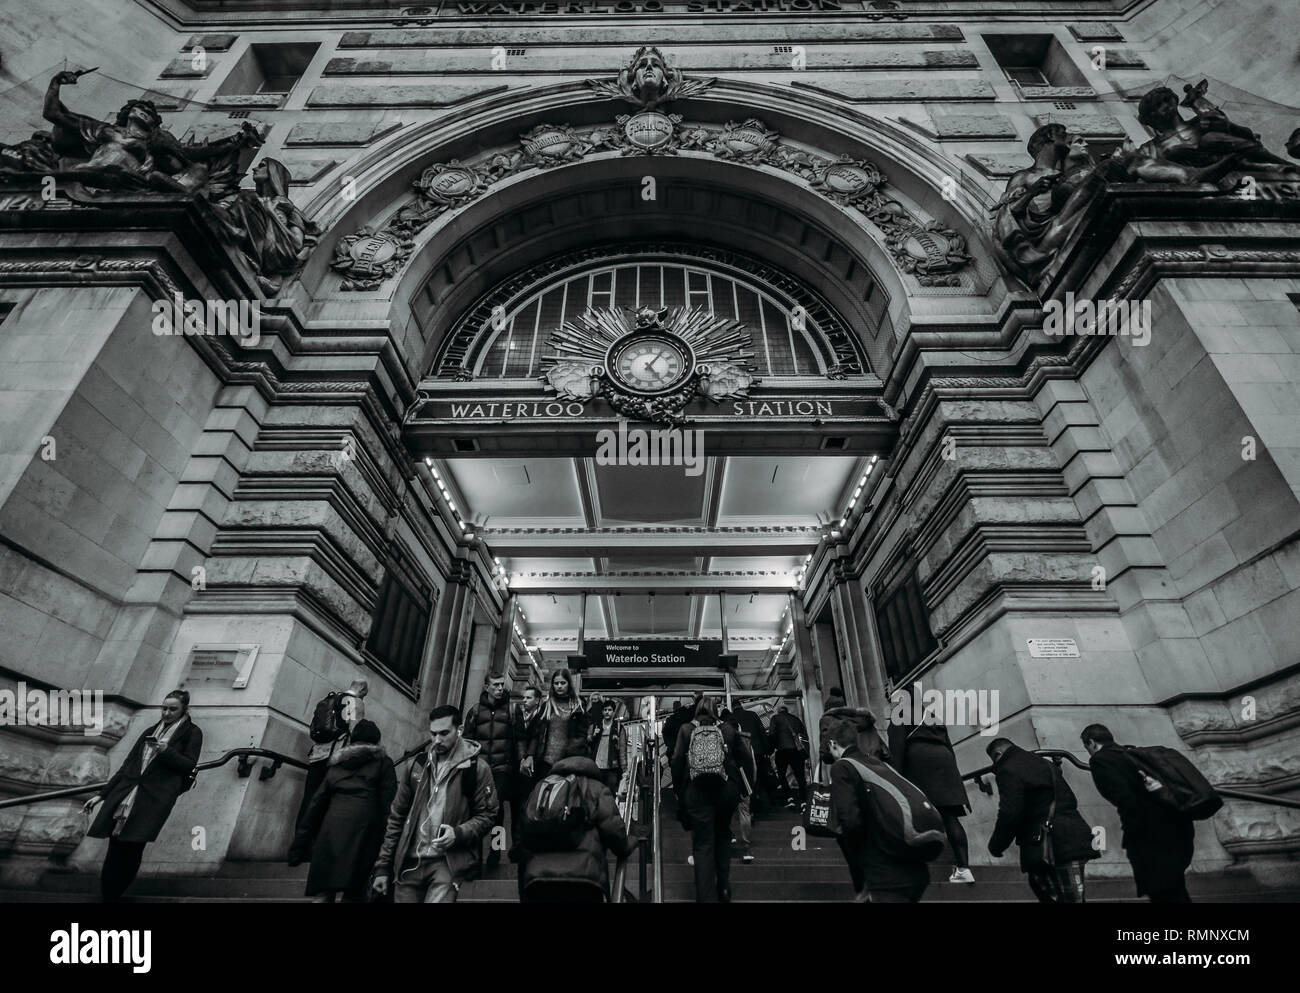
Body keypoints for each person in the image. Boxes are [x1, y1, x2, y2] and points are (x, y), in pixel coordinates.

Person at [82, 690, 203, 902]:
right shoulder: (151, 730)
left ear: (185, 709)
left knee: (133, 846)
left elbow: (189, 765)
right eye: (164, 708)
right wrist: (101, 795)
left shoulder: (192, 733)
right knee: (115, 847)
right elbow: (128, 764)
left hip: (153, 799)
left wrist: (166, 751)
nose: (166, 713)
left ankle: (115, 893)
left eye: (172, 709)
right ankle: (108, 896)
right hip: (126, 794)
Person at [372, 704, 497, 903]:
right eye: (433, 734)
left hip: (447, 863)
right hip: (409, 863)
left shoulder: (477, 769)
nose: (437, 740)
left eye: (444, 733)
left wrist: (458, 833)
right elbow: (396, 817)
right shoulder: (416, 765)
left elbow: (488, 815)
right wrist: (383, 865)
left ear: (460, 730)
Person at [1082, 723, 1195, 903]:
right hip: (1178, 827)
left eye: (1086, 747)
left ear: (1091, 743)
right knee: (1174, 889)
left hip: (1150, 835)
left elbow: (1124, 798)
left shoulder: (1101, 760)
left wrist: (1133, 834)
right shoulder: (1131, 754)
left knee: (1163, 891)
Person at [515, 737, 636, 902]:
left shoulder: (541, 787)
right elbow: (613, 829)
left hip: (538, 879)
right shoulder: (597, 788)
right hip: (583, 880)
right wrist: (627, 844)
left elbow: (524, 829)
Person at [289, 719, 397, 903]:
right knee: (355, 893)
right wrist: (391, 847)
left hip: (329, 834)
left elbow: (315, 806)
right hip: (364, 834)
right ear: (376, 741)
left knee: (323, 893)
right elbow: (389, 806)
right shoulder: (383, 763)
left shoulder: (336, 765)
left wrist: (299, 846)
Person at [825, 715, 929, 903]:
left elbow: (850, 821)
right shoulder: (877, 763)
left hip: (884, 872)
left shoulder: (842, 767)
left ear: (833, 743)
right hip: (914, 868)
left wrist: (862, 876)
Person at [985, 738, 1098, 903]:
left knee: (1054, 895)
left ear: (998, 754)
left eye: (994, 760)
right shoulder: (1044, 763)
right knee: (1073, 897)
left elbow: (1010, 812)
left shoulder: (1008, 769)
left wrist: (997, 845)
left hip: (1048, 844)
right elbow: (1069, 798)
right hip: (1074, 836)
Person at [671, 698, 751, 902]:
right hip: (725, 790)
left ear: (696, 710)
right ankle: (723, 888)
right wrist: (740, 787)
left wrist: (680, 791)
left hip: (696, 791)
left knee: (703, 842)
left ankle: (706, 896)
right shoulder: (727, 729)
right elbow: (746, 758)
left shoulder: (687, 729)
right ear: (715, 710)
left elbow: (677, 761)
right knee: (723, 834)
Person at [887, 710, 974, 884]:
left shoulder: (900, 714)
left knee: (917, 816)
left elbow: (897, 749)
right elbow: (949, 746)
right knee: (950, 817)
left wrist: (894, 778)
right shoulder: (933, 716)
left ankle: (921, 869)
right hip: (945, 762)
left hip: (920, 764)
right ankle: (964, 868)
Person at [296, 679, 367, 831]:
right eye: (364, 694)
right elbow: (356, 732)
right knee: (327, 803)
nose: (363, 698)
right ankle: (314, 848)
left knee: (309, 800)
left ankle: (299, 844)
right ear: (361, 689)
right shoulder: (356, 702)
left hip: (316, 756)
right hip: (335, 759)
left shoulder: (331, 699)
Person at [462, 671, 516, 870]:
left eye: (502, 684)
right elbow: (467, 741)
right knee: (476, 810)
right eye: (496, 685)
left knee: (498, 810)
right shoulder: (475, 711)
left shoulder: (510, 711)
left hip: (502, 768)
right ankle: (475, 857)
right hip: (480, 767)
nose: (500, 688)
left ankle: (495, 852)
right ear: (487, 687)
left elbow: (515, 740)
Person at [535, 668, 588, 779]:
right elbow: (537, 732)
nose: (559, 686)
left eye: (563, 683)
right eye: (556, 683)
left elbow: (582, 735)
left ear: (569, 684)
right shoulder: (547, 705)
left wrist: (572, 753)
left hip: (568, 761)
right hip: (545, 760)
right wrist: (530, 755)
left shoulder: (578, 706)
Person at [721, 709, 757, 864]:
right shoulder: (746, 740)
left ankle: (729, 838)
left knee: (725, 812)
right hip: (744, 780)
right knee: (744, 811)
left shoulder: (722, 738)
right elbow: (752, 764)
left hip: (727, 781)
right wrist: (751, 784)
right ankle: (746, 846)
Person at [512, 684, 545, 834]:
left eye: (528, 698)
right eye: (523, 697)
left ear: (537, 700)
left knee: (530, 804)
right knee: (518, 806)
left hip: (536, 767)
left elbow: (538, 739)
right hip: (518, 767)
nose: (524, 700)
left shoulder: (543, 717)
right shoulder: (517, 716)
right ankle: (516, 841)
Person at [733, 704, 774, 814]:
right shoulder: (752, 714)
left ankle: (748, 806)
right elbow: (762, 732)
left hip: (742, 753)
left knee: (745, 779)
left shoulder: (732, 718)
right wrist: (767, 751)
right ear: (741, 706)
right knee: (758, 778)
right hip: (757, 751)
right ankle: (760, 805)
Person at [769, 704, 809, 809]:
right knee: (800, 777)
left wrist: (771, 749)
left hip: (782, 751)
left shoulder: (775, 718)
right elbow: (804, 735)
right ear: (787, 710)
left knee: (781, 775)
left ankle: (789, 798)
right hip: (796, 751)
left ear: (778, 711)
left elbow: (772, 734)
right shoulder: (796, 719)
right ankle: (804, 801)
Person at [588, 699, 623, 795]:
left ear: (613, 711)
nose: (607, 712)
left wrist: (625, 769)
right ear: (602, 711)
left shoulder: (618, 727)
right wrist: (593, 736)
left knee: (609, 793)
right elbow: (588, 739)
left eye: (609, 710)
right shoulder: (596, 725)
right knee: (595, 792)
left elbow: (623, 749)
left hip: (612, 767)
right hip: (596, 766)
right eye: (605, 710)